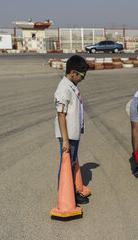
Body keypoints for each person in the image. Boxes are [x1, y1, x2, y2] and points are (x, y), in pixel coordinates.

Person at [54, 55, 90, 204]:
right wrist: (66, 141)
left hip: (73, 134)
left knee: (72, 162)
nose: (83, 79)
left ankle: (72, 191)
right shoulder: (63, 89)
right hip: (67, 135)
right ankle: (66, 196)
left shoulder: (71, 86)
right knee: (66, 165)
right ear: (74, 73)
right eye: (82, 76)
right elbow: (61, 115)